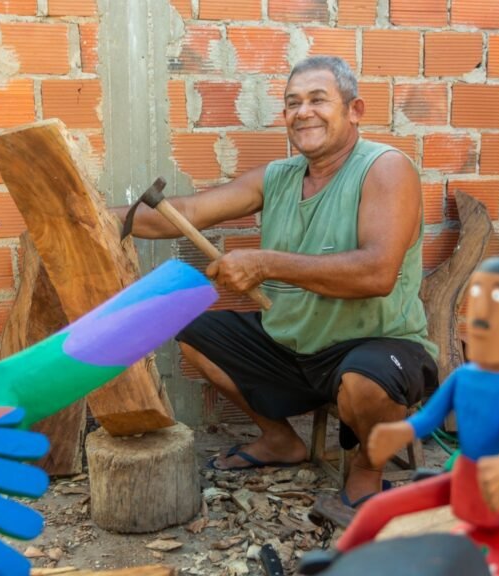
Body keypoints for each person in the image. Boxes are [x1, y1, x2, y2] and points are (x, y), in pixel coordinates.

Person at [116, 56, 438, 507]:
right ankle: (279, 440)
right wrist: (100, 219)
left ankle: (368, 466)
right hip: (292, 344)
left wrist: (266, 264)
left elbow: (377, 272)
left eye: (317, 100)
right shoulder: (279, 177)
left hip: (375, 341)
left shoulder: (384, 168)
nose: (302, 111)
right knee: (195, 332)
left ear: (355, 110)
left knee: (368, 381)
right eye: (292, 103)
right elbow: (185, 214)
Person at [298, 258, 499, 575]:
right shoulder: (463, 376)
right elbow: (428, 419)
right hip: (462, 477)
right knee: (382, 506)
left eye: (497, 298)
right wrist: (400, 432)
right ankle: (340, 555)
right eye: (478, 295)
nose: (483, 309)